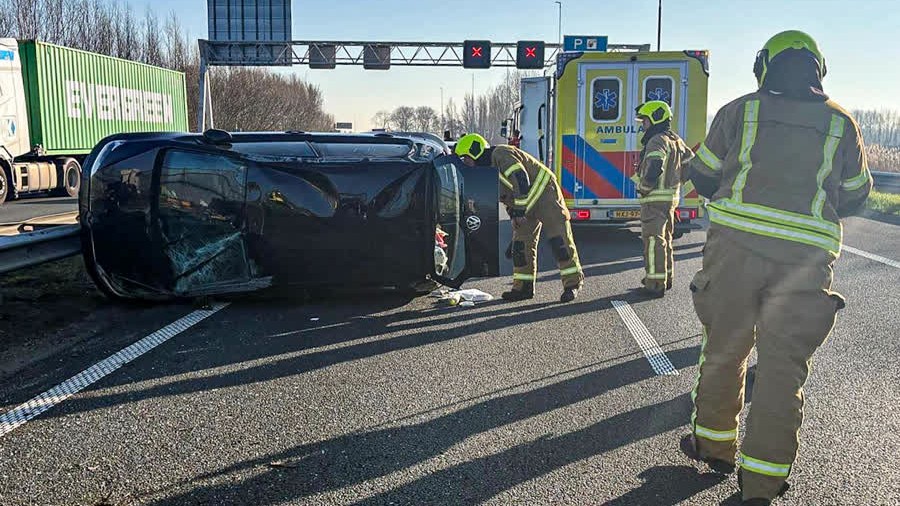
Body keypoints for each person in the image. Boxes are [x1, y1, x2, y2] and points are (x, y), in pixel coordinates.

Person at [680, 30, 872, 505]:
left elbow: (702, 175)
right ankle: (762, 484)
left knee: (725, 349)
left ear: (763, 67)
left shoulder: (739, 111)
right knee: (784, 370)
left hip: (734, 252)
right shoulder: (841, 124)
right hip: (806, 260)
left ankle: (715, 447)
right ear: (818, 68)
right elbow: (856, 195)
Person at [455, 133, 584, 302]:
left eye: (465, 158)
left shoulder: (501, 154)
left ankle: (572, 284)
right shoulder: (485, 172)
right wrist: (514, 214)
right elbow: (506, 195)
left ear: (474, 151)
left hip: (545, 194)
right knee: (520, 247)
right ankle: (523, 287)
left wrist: (519, 212)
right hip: (524, 204)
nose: (465, 163)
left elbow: (520, 179)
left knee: (559, 241)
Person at [633, 100, 694, 297]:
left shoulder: (657, 140)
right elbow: (690, 163)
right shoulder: (676, 139)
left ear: (654, 119)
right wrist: (677, 183)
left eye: (645, 121)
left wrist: (644, 188)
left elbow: (655, 164)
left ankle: (654, 283)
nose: (643, 125)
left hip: (654, 200)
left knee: (653, 241)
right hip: (670, 199)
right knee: (665, 240)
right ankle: (666, 277)